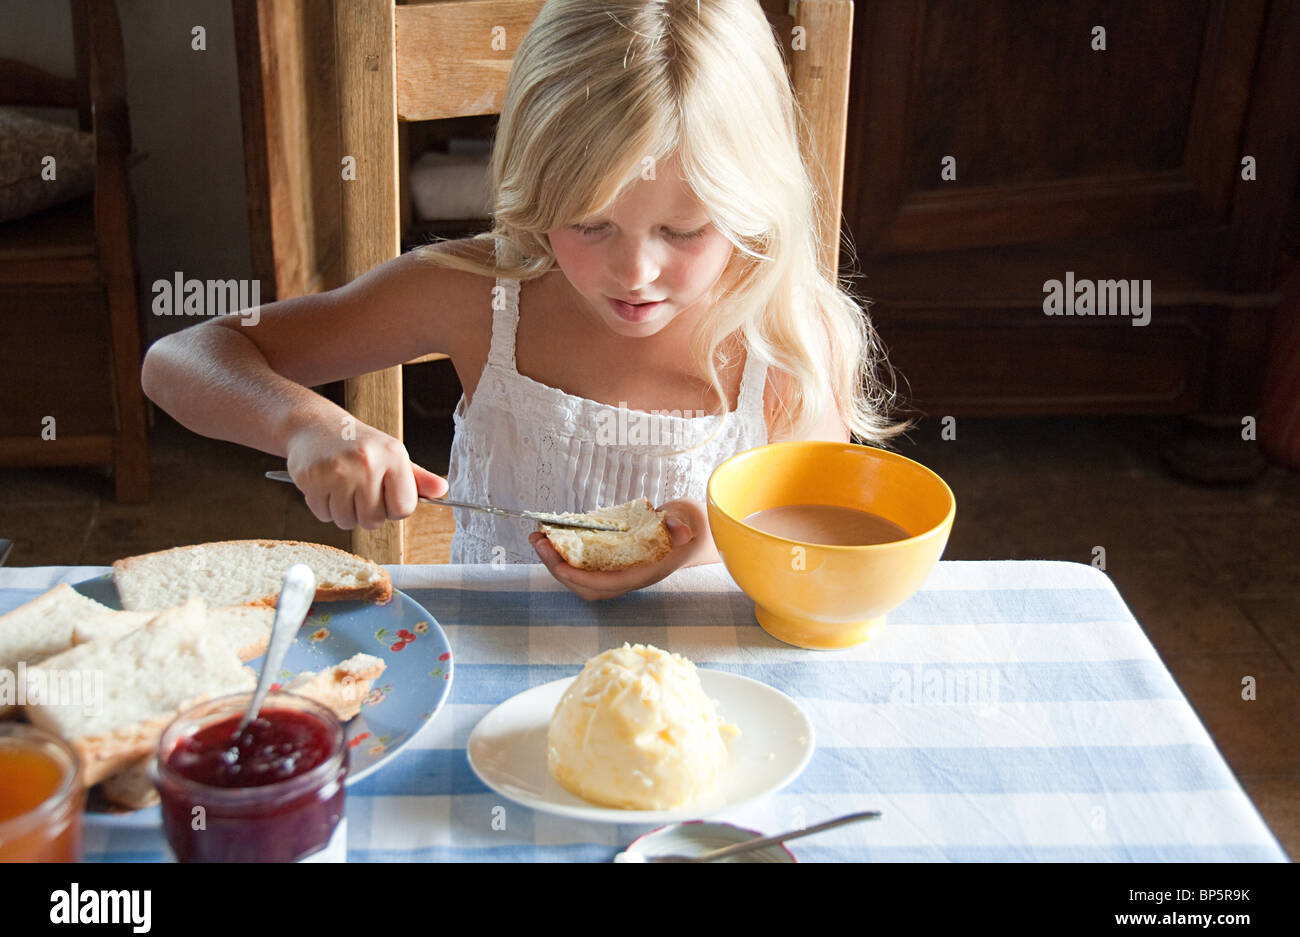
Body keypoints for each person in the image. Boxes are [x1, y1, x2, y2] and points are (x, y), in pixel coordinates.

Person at [141, 0, 908, 600]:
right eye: (589, 222)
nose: (634, 271)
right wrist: (309, 426)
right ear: (532, 192)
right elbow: (178, 359)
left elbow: (814, 552)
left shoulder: (789, 340)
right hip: (485, 687)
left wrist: (702, 538)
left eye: (683, 229)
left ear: (754, 203)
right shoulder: (480, 301)